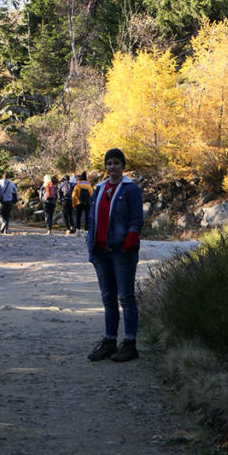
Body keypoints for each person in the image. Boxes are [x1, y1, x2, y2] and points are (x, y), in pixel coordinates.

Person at [86, 148, 144, 363]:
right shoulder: (99, 189)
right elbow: (92, 219)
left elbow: (137, 219)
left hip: (122, 252)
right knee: (108, 298)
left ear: (123, 165)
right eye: (109, 163)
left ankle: (130, 343)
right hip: (100, 252)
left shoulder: (131, 190)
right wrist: (90, 246)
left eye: (116, 163)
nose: (112, 167)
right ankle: (109, 341)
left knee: (126, 297)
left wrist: (130, 241)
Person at [0, 170, 18, 234]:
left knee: (0, 213)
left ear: (3, 176)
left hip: (3, 201)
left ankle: (3, 223)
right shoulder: (11, 183)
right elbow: (15, 191)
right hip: (9, 201)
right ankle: (5, 230)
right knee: (7, 215)